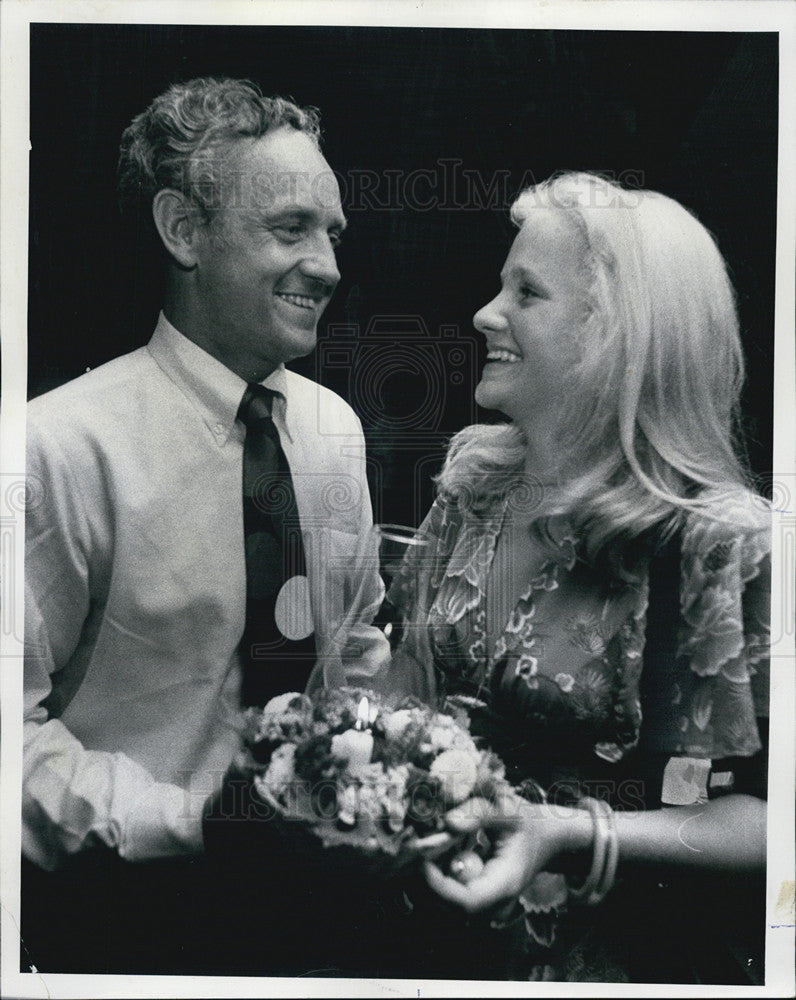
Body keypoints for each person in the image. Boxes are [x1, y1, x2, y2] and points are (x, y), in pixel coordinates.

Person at [22, 76, 388, 974]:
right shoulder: (59, 448)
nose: (331, 267)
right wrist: (194, 826)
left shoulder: (335, 430)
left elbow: (360, 647)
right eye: (290, 228)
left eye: (333, 234)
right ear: (184, 231)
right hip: (120, 925)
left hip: (326, 917)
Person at [384, 172, 770, 983]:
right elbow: (401, 699)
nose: (485, 314)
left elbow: (770, 824)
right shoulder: (471, 489)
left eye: (527, 292)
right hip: (428, 949)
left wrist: (569, 833)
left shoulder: (722, 543)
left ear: (618, 337)